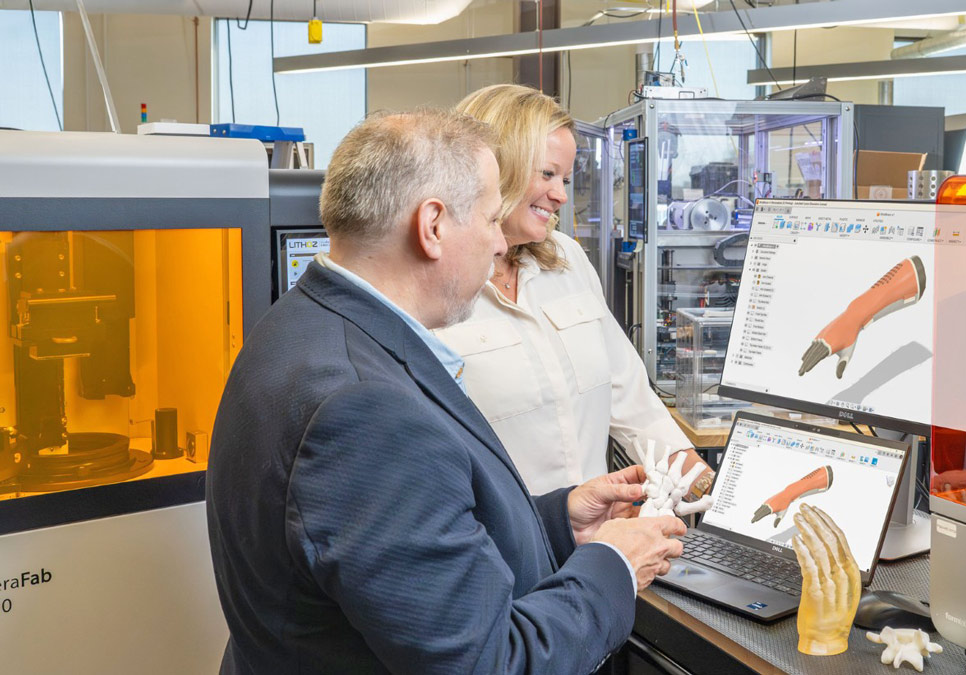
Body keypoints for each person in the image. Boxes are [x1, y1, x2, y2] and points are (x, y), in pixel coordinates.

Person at [205, 109, 687, 674]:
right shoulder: (365, 413)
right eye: (489, 222)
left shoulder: (302, 325)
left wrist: (557, 522)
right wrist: (614, 565)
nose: (497, 247)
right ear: (432, 226)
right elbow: (492, 664)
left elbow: (407, 552)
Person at [438, 83, 715, 497]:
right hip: (499, 546)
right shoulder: (438, 285)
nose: (561, 195)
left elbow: (630, 397)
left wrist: (709, 487)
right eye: (547, 173)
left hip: (589, 533)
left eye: (566, 178)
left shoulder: (565, 258)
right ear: (497, 165)